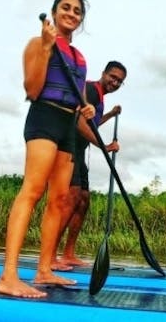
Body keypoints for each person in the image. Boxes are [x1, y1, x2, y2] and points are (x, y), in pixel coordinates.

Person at [0, 0, 95, 298]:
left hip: (67, 126)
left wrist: (85, 108)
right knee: (33, 190)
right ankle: (8, 276)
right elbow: (32, 89)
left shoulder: (79, 57)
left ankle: (44, 269)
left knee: (61, 199)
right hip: (44, 117)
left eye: (77, 11)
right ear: (53, 13)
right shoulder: (37, 43)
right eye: (66, 7)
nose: (71, 14)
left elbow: (76, 99)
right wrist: (47, 47)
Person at [52, 61, 127, 270]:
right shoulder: (91, 90)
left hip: (80, 151)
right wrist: (104, 146)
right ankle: (49, 256)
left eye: (120, 81)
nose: (115, 82)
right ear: (103, 73)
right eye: (113, 77)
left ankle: (68, 254)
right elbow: (79, 122)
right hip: (68, 148)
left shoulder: (99, 98)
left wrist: (110, 114)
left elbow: (92, 122)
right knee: (73, 197)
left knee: (84, 201)